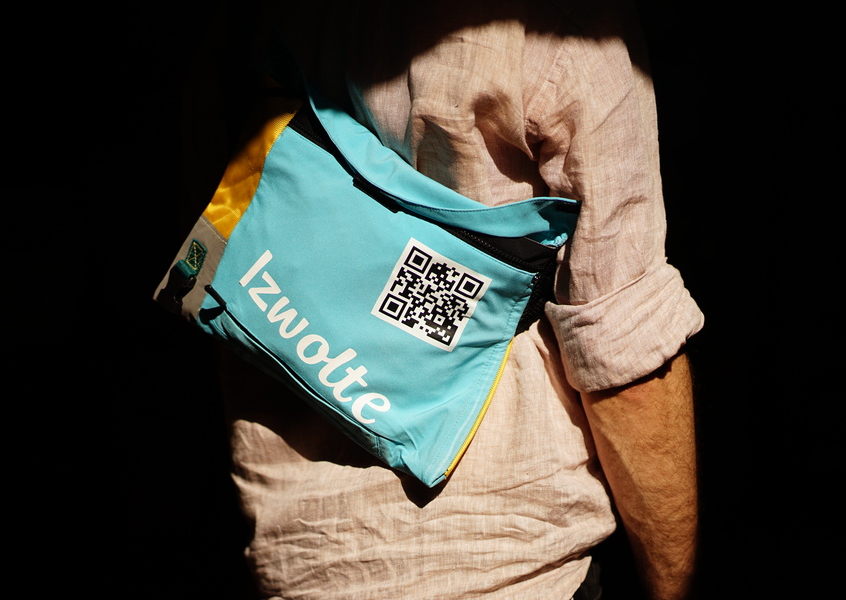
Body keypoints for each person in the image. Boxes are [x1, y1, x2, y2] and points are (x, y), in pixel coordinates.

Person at [181, 1, 704, 598]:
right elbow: (623, 354)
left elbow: (210, 181)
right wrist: (672, 585)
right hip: (509, 559)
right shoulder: (567, 23)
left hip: (298, 551)